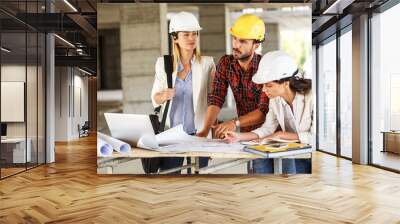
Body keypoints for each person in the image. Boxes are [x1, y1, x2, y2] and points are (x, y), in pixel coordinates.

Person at [223, 51, 313, 174]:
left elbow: (316, 137)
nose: (264, 90)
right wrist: (239, 136)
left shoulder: (311, 96)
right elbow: (267, 129)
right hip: (293, 153)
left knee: (287, 158)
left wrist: (281, 135)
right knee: (260, 158)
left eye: (268, 85)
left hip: (311, 157)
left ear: (286, 83)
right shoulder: (275, 99)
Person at [151, 12, 215, 173]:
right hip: (172, 135)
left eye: (194, 34)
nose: (191, 38)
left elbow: (214, 101)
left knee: (199, 180)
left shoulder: (207, 63)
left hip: (199, 133)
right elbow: (155, 97)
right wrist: (164, 95)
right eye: (185, 34)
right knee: (171, 179)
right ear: (175, 38)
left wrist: (212, 134)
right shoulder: (163, 64)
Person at [196, 14, 269, 141]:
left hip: (273, 133)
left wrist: (234, 123)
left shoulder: (265, 67)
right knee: (255, 161)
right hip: (246, 134)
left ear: (256, 45)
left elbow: (263, 111)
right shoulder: (226, 63)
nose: (236, 45)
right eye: (234, 38)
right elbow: (216, 98)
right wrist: (204, 131)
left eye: (243, 41)